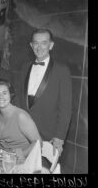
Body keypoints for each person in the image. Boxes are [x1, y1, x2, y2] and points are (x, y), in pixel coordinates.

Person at [20, 28, 72, 156]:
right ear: (31, 45)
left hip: (48, 138)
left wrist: (59, 138)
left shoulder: (62, 70)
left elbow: (66, 107)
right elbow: (19, 100)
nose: (39, 47)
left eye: (44, 42)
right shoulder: (24, 67)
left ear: (51, 45)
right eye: (36, 43)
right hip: (23, 134)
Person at [0, 79, 41, 158]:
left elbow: (38, 143)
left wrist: (18, 156)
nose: (1, 97)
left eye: (4, 93)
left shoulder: (20, 116)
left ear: (10, 95)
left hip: (22, 160)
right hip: (2, 159)